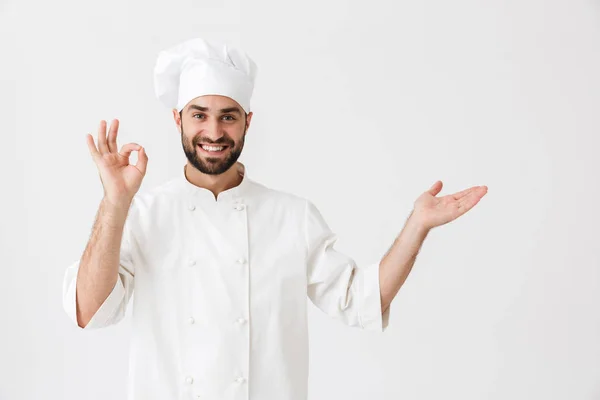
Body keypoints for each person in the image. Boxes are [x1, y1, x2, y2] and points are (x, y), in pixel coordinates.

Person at [62, 37, 488, 400]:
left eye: (227, 116)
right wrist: (115, 201)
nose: (213, 132)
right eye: (199, 115)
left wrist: (417, 225)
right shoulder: (141, 215)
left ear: (247, 121)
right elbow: (89, 310)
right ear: (177, 119)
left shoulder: (292, 216)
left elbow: (362, 300)